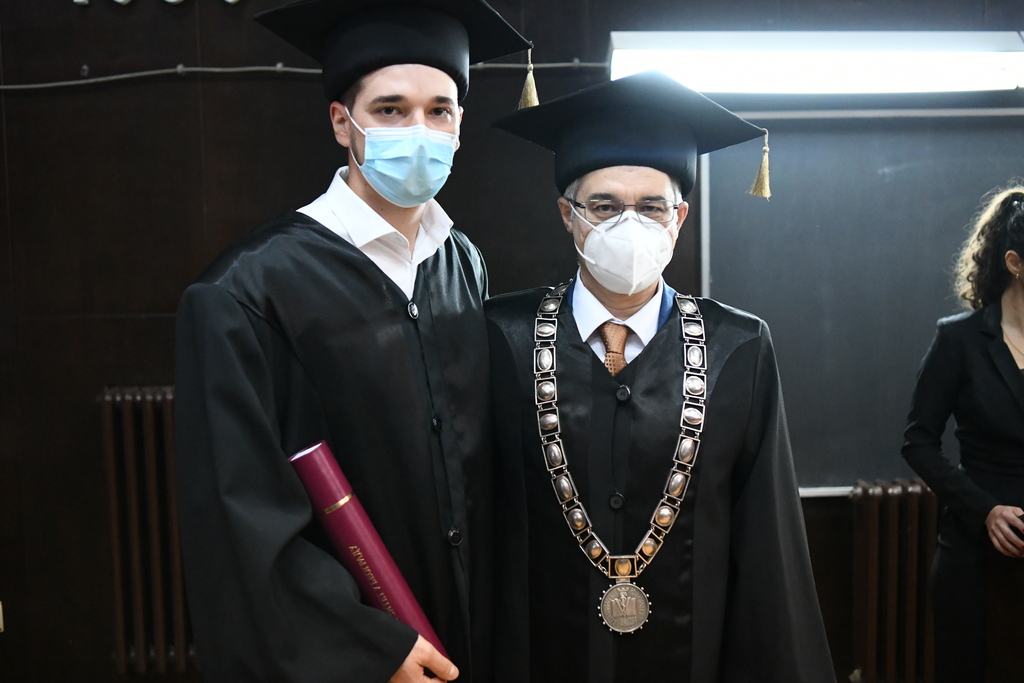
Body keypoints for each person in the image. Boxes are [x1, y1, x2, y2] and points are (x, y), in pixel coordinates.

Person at [173, 1, 530, 681]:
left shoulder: (461, 262)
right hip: (356, 649)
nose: (418, 131)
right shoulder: (247, 290)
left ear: (460, 125)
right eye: (391, 110)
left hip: (464, 632)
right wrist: (368, 646)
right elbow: (237, 518)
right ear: (342, 122)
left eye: (439, 111)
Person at [485, 70, 835, 683]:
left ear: (680, 218)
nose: (629, 224)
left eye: (651, 207)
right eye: (603, 206)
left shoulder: (737, 348)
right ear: (567, 214)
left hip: (693, 657)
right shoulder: (502, 338)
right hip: (538, 656)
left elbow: (768, 544)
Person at [902, 185, 1024, 683]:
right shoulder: (959, 338)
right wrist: (986, 511)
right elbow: (918, 441)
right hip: (975, 548)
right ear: (1015, 263)